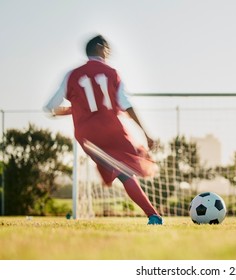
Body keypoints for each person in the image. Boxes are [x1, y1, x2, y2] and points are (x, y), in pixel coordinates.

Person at [43, 34, 163, 225]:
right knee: (125, 172)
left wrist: (68, 110)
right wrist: (145, 133)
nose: (109, 52)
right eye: (107, 48)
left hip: (88, 137)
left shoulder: (71, 75)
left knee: (121, 171)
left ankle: (153, 215)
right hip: (112, 131)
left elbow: (49, 107)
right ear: (99, 48)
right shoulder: (112, 73)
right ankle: (153, 216)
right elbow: (126, 105)